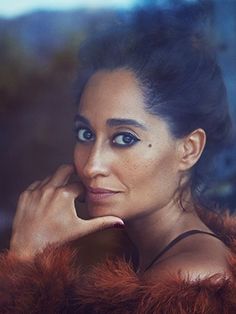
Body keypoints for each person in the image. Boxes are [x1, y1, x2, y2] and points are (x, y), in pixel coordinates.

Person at [1, 9, 236, 313]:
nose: (91, 165)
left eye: (125, 138)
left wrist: (26, 260)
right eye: (85, 133)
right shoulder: (151, 256)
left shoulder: (188, 283)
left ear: (189, 149)